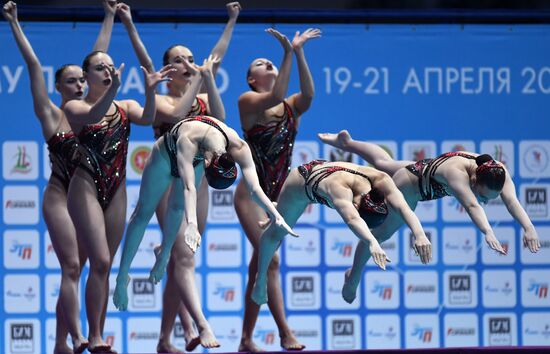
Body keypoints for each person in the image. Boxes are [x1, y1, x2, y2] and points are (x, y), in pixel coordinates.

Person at [112, 61, 297, 348]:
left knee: (175, 215)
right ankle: (122, 277)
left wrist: (276, 215)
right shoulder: (190, 142)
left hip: (195, 159)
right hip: (165, 156)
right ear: (212, 162)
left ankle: (162, 257)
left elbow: (255, 187)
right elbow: (187, 187)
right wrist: (193, 226)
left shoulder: (237, 147)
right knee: (141, 215)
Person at [116, 2, 240, 351]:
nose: (189, 63)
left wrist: (231, 20)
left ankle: (164, 338)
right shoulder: (165, 100)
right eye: (180, 60)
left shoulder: (202, 92)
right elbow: (178, 109)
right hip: (166, 179)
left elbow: (220, 114)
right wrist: (127, 22)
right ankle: (200, 326)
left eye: (191, 58)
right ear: (169, 69)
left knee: (182, 257)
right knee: (183, 256)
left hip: (197, 181)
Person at [3, 1, 115, 353]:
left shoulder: (89, 112)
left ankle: (58, 343)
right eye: (72, 81)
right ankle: (78, 336)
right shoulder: (50, 114)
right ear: (58, 87)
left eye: (83, 79)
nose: (80, 84)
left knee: (80, 268)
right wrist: (14, 22)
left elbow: (100, 57)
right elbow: (34, 65)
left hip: (86, 198)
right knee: (70, 265)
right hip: (58, 196)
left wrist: (110, 16)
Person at [318, 130, 542, 303]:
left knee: (383, 164)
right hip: (409, 186)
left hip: (421, 169)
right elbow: (472, 205)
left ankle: (347, 143)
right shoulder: (457, 174)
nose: (485, 201)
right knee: (380, 234)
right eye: (484, 196)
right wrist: (488, 232)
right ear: (473, 181)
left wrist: (529, 227)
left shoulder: (495, 170)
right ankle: (353, 277)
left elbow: (511, 200)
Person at [63, 50, 171, 353]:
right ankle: (93, 336)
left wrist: (151, 91)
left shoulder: (125, 106)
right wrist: (113, 89)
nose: (108, 71)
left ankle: (99, 336)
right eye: (101, 68)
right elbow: (94, 116)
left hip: (117, 190)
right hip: (84, 186)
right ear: (87, 77)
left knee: (104, 266)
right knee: (99, 259)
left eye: (111, 66)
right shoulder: (75, 105)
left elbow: (149, 117)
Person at [233, 27, 320, 352]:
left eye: (270, 61)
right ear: (252, 79)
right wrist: (285, 54)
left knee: (260, 264)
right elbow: (274, 94)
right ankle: (285, 332)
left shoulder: (291, 106)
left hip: (278, 196)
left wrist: (298, 53)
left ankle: (245, 339)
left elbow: (308, 95)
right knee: (271, 261)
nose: (267, 64)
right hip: (252, 196)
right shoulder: (249, 103)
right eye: (261, 63)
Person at [251, 160, 431, 306]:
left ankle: (280, 210)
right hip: (301, 184)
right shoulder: (340, 189)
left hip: (322, 181)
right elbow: (353, 219)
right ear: (358, 202)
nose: (354, 207)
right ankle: (260, 280)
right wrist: (372, 242)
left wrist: (419, 234)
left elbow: (404, 208)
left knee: (284, 215)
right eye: (357, 207)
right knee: (277, 232)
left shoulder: (382, 181)